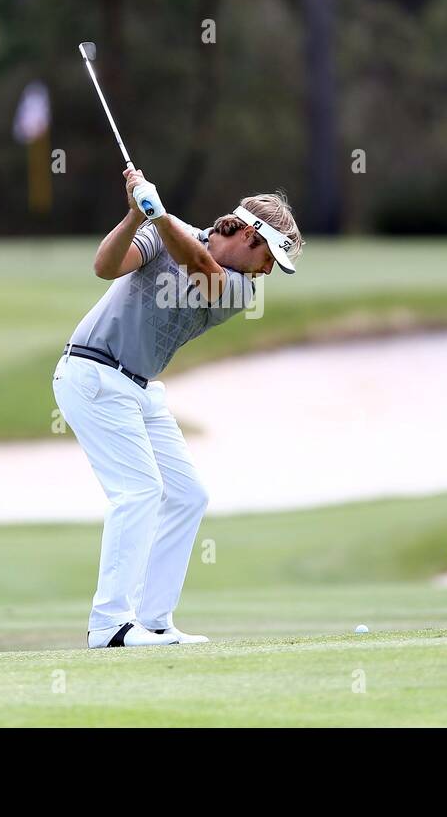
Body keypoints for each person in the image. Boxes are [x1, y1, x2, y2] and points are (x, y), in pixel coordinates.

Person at [54, 167, 303, 648]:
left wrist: (158, 214)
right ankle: (110, 625)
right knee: (140, 491)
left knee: (188, 494)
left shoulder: (242, 289)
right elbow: (106, 267)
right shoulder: (165, 230)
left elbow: (202, 271)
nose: (270, 270)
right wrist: (134, 215)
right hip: (92, 372)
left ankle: (154, 619)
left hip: (140, 388)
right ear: (250, 235)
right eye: (270, 256)